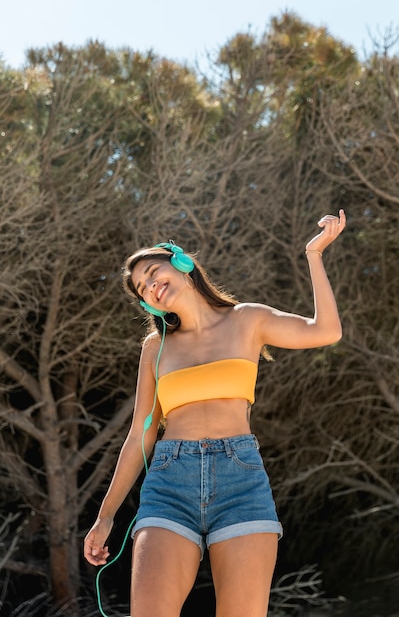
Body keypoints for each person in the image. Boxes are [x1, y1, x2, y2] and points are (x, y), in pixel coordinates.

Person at [84, 210, 346, 617]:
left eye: (153, 272)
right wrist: (105, 517)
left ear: (183, 264)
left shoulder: (248, 320)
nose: (150, 286)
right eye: (141, 287)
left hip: (240, 480)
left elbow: (326, 331)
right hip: (170, 483)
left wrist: (315, 256)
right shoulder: (155, 349)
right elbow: (142, 432)